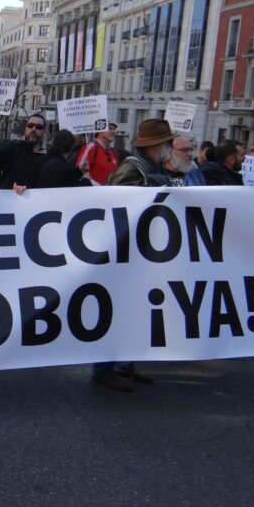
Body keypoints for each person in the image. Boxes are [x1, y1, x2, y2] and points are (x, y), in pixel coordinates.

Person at [93, 119, 175, 391]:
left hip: (145, 254)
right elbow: (115, 208)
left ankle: (125, 365)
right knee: (118, 312)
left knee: (139, 311)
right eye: (168, 144)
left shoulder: (154, 167)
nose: (171, 148)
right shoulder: (131, 169)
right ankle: (104, 369)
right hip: (127, 254)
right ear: (157, 146)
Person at [0, 113, 47, 189]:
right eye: (30, 126)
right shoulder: (11, 148)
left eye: (38, 127)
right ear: (25, 129)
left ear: (44, 132)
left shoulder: (50, 156)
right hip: (11, 198)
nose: (34, 129)